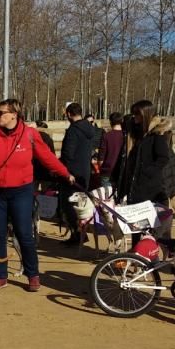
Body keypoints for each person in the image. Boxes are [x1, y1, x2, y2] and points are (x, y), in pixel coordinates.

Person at [0, 99, 74, 292]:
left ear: (14, 114)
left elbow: (47, 157)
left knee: (24, 233)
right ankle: (0, 276)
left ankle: (33, 275)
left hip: (21, 191)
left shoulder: (29, 135)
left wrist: (65, 173)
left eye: (1, 113)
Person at [59, 103, 100, 244]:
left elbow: (67, 154)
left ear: (69, 114)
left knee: (69, 205)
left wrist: (61, 168)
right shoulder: (90, 128)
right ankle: (81, 233)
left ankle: (77, 234)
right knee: (81, 205)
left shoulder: (73, 131)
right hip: (85, 171)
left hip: (71, 173)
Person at [96, 112, 125, 189]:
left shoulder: (106, 136)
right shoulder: (126, 136)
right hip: (121, 172)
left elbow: (101, 157)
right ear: (122, 121)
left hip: (107, 171)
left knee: (106, 199)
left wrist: (101, 169)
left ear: (110, 121)